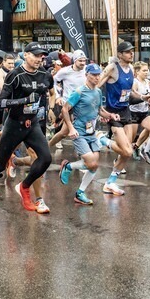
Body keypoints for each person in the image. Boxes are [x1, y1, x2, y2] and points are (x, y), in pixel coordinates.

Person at [0, 42, 55, 221]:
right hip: (14, 124)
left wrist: (50, 107)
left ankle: (24, 186)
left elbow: (51, 92)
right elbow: (1, 103)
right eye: (35, 55)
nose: (39, 59)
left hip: (33, 123)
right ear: (25, 55)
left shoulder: (45, 74)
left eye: (41, 56)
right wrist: (25, 100)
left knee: (46, 158)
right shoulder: (15, 75)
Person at [59, 64, 115, 205]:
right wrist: (71, 128)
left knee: (93, 166)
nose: (97, 78)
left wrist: (110, 115)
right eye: (94, 75)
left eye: (98, 75)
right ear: (87, 75)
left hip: (92, 132)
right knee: (90, 162)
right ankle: (67, 167)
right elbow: (65, 109)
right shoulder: (79, 91)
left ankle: (79, 193)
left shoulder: (98, 91)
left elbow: (100, 110)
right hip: (80, 132)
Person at [99, 40, 138, 193]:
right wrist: (100, 109)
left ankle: (110, 182)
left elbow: (130, 92)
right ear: (120, 55)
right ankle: (103, 140)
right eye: (128, 52)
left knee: (126, 153)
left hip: (126, 110)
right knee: (127, 151)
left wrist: (143, 97)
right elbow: (96, 86)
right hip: (113, 113)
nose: (131, 54)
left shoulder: (131, 68)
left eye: (132, 51)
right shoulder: (112, 68)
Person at [129, 62, 150, 164]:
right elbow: (133, 95)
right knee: (128, 142)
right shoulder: (134, 82)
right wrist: (143, 98)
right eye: (144, 70)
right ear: (137, 71)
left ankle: (145, 150)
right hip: (133, 114)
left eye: (147, 70)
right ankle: (118, 161)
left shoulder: (147, 82)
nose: (146, 72)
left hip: (144, 113)